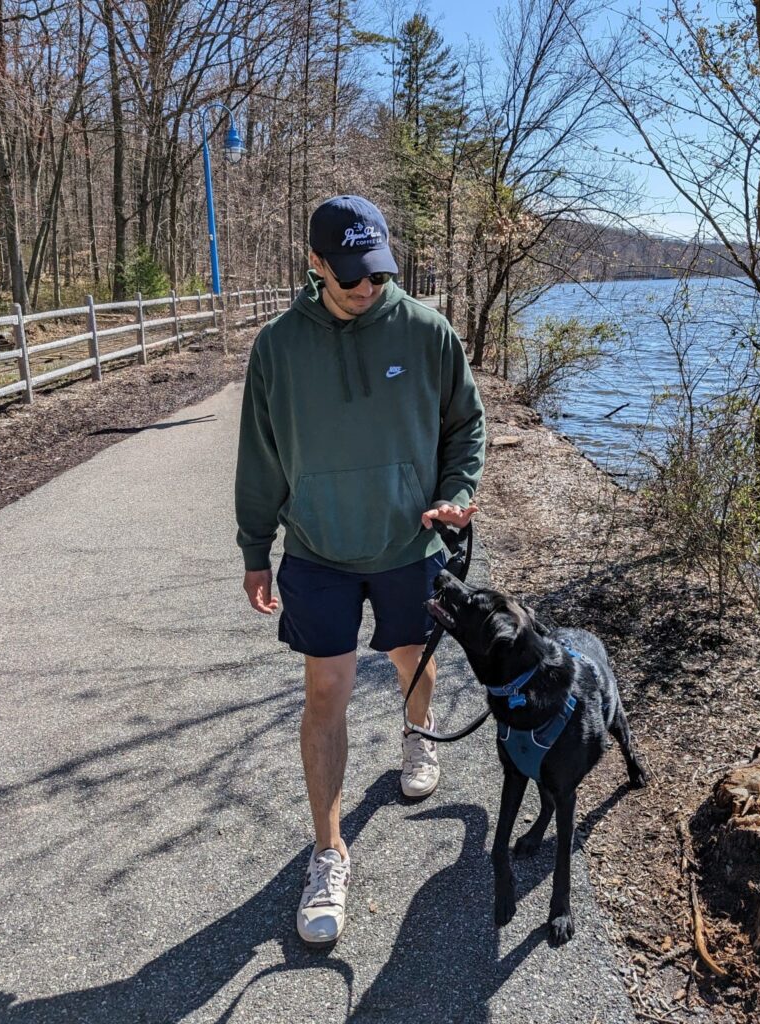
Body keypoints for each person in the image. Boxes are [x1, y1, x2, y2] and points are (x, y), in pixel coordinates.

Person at [234, 194, 485, 946]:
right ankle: (328, 853)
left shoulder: (427, 331)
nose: (367, 289)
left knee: (412, 656)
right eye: (350, 277)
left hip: (411, 544)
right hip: (317, 547)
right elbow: (260, 455)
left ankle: (417, 731)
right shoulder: (278, 348)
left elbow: (464, 424)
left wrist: (457, 493)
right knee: (326, 690)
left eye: (377, 274)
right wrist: (255, 549)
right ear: (314, 263)